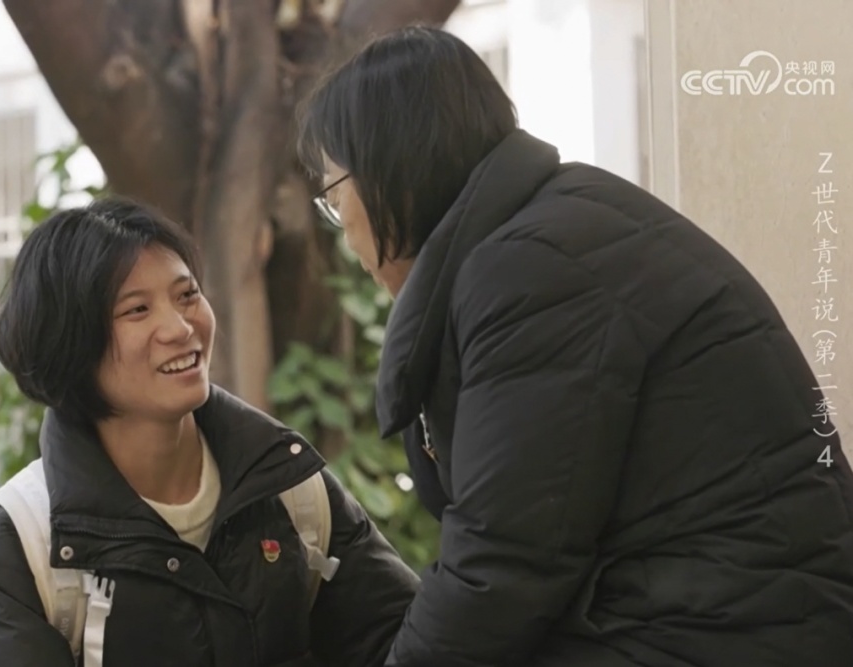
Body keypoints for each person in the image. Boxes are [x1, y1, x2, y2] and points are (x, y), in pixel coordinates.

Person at [296, 25, 853, 667]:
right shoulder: (545, 231)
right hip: (725, 610)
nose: (345, 234)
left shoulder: (531, 270)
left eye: (337, 199)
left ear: (393, 174)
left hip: (732, 629)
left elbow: (503, 566)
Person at [0, 196, 419, 666]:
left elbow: (405, 641)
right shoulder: (17, 545)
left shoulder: (288, 489)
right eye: (137, 310)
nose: (181, 327)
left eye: (187, 295)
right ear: (71, 345)